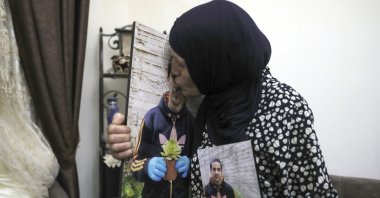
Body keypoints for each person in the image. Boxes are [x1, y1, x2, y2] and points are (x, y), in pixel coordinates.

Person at [108, 0, 338, 197]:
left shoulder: (285, 108)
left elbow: (314, 191)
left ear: (213, 65)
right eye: (171, 61)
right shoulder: (201, 106)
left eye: (183, 63)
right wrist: (126, 150)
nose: (174, 74)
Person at [128, 63, 193, 198]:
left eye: (183, 81)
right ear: (167, 78)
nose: (177, 86)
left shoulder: (191, 123)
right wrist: (147, 166)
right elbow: (134, 163)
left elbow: (202, 167)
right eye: (174, 77)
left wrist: (191, 164)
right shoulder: (151, 118)